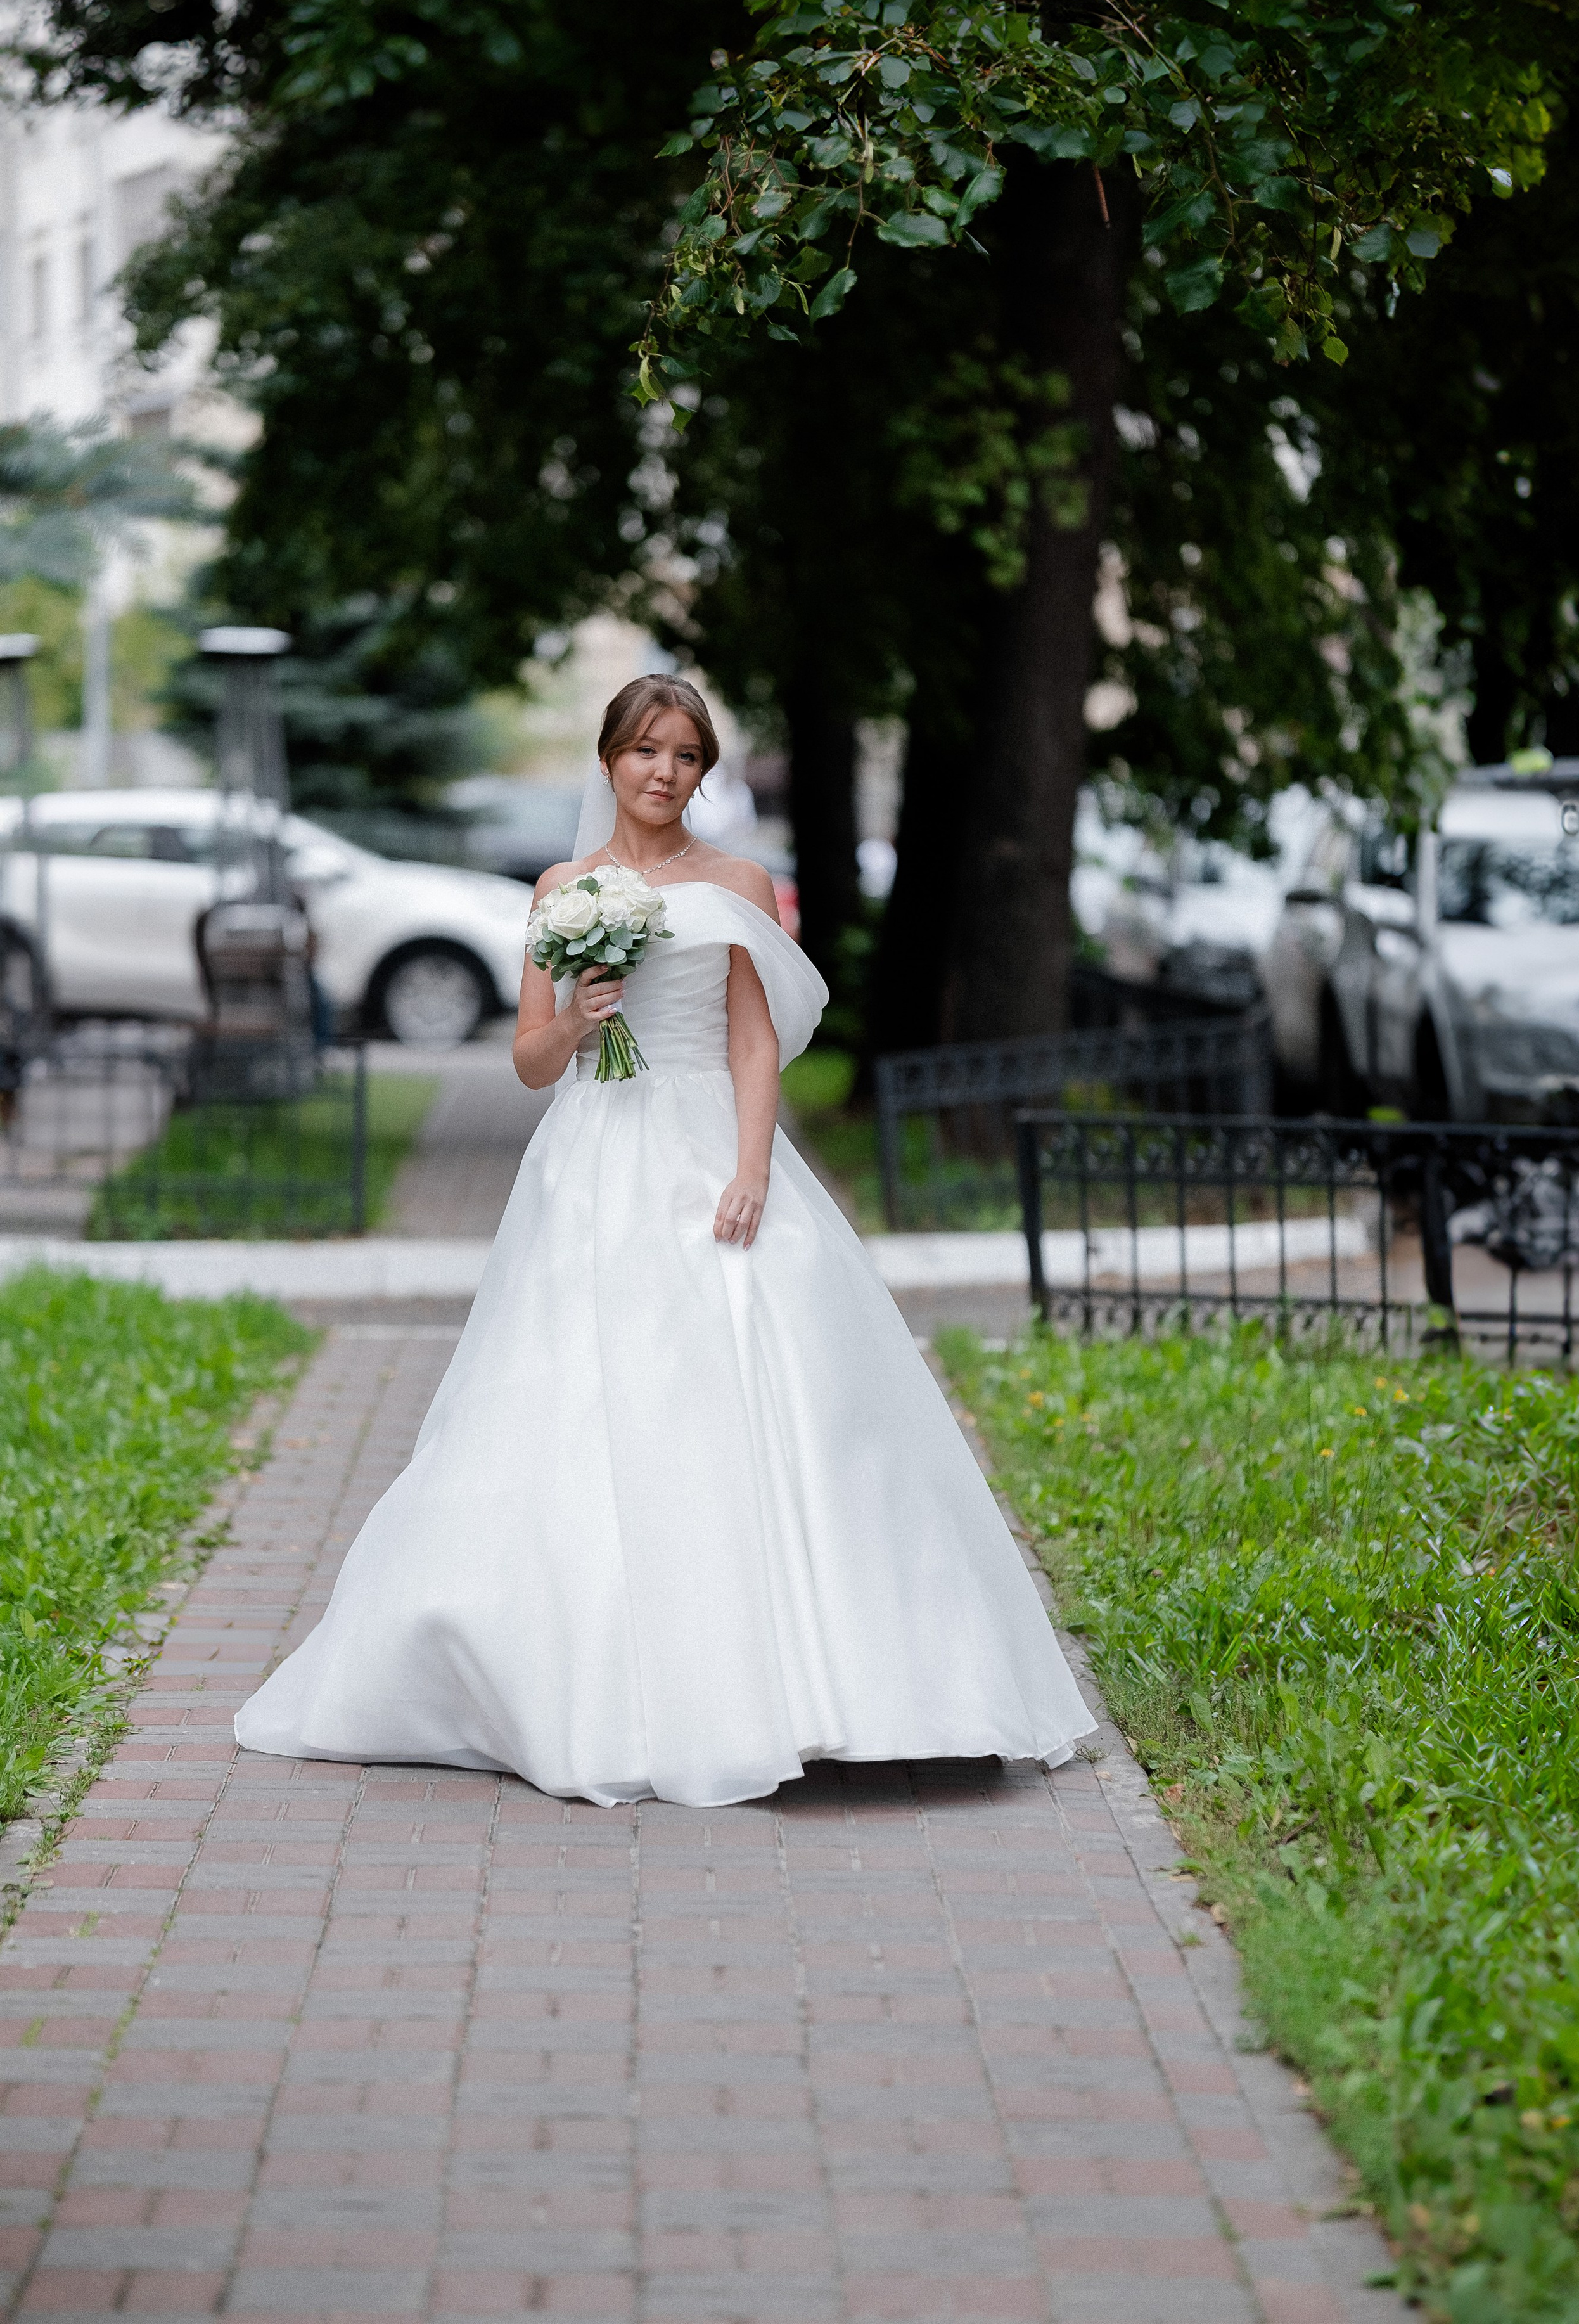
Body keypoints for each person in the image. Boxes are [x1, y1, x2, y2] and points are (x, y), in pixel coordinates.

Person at [235, 675, 1094, 1807]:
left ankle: (848, 1683)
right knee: (585, 1391)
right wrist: (583, 1015)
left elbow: (753, 1046)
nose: (663, 772)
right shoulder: (562, 888)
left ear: (703, 772)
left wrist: (750, 1169)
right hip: (594, 1154)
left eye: (686, 755)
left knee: (773, 1367)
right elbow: (530, 1060)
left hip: (705, 1142)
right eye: (646, 750)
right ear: (609, 761)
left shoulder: (739, 884)